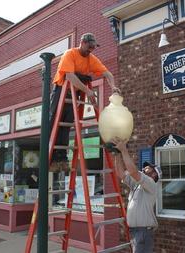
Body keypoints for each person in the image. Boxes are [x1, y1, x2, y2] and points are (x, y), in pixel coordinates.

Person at [50, 33, 120, 172]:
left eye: (93, 47)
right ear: (82, 42)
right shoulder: (70, 54)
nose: (91, 50)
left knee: (66, 125)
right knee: (54, 123)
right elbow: (69, 76)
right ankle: (51, 157)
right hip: (61, 90)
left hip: (74, 93)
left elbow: (107, 74)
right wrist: (87, 91)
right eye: (89, 46)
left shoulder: (91, 58)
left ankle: (62, 159)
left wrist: (113, 87)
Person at [112, 137, 161, 253]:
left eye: (148, 168)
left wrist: (124, 150)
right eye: (144, 167)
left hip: (143, 232)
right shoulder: (137, 185)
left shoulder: (151, 184)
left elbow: (133, 171)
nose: (144, 168)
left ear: (154, 175)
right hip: (135, 231)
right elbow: (121, 173)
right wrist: (117, 154)